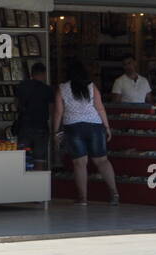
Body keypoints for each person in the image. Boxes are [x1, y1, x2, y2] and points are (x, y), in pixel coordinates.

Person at [53, 59, 119, 206]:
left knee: (79, 164)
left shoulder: (62, 88)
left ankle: (83, 198)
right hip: (95, 126)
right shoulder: (91, 87)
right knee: (102, 161)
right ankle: (114, 193)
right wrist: (107, 127)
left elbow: (58, 112)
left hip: (73, 127)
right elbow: (100, 107)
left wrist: (56, 131)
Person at [14, 62, 52, 170]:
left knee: (22, 157)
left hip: (24, 125)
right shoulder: (47, 89)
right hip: (41, 126)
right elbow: (51, 109)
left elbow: (16, 103)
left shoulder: (22, 86)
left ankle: (23, 181)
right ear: (44, 74)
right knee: (39, 158)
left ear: (32, 73)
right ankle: (38, 182)